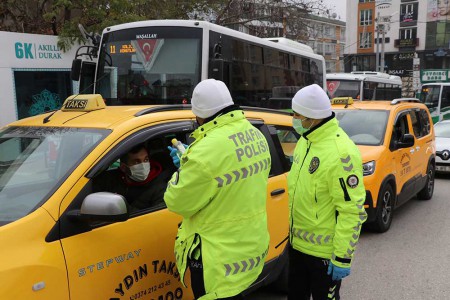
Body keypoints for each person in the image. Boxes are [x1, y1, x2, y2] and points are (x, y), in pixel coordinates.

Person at [164, 79, 271, 300]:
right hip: (247, 252)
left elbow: (176, 201)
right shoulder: (256, 134)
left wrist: (184, 168)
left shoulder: (203, 152)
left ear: (200, 113)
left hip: (216, 263)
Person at [287, 84, 367, 300]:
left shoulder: (342, 154)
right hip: (297, 247)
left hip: (324, 256)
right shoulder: (306, 141)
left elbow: (352, 211)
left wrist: (342, 257)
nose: (293, 118)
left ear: (312, 117)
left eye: (297, 114)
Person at [94, 143, 171, 211]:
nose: (143, 165)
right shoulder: (109, 179)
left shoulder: (161, 187)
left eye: (146, 160)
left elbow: (154, 220)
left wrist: (120, 207)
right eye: (136, 162)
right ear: (124, 167)